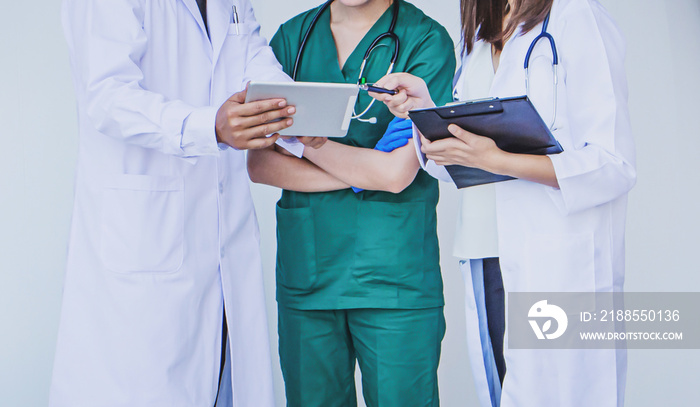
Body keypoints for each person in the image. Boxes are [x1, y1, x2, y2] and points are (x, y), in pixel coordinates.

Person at [373, 0, 636, 406]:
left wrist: (497, 160)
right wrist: (425, 111)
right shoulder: (480, 32)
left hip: (554, 261)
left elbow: (612, 164)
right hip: (485, 254)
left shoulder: (577, 17)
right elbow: (463, 158)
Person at [50, 1, 304, 406]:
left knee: (223, 377)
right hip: (145, 241)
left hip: (222, 242)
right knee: (144, 386)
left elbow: (255, 63)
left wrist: (294, 117)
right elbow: (106, 94)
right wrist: (208, 126)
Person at [246, 0, 455, 405]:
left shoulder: (426, 40)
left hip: (394, 281)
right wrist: (363, 174)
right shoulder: (293, 39)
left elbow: (397, 175)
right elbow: (259, 163)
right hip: (308, 277)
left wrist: (302, 145)